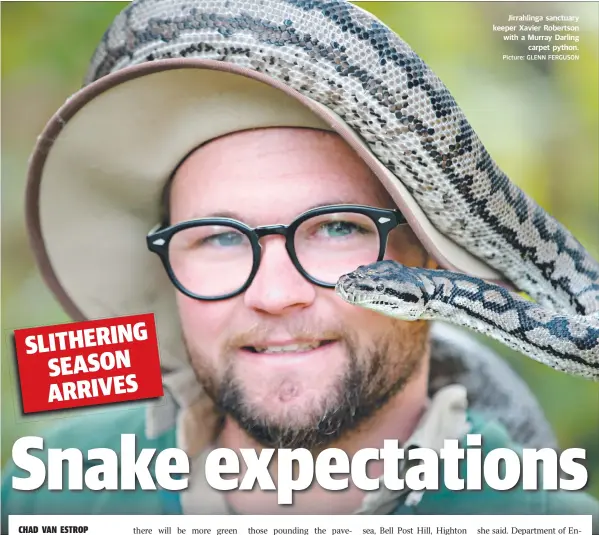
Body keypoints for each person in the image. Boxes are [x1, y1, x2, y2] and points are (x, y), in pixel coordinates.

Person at [2, 0, 598, 529]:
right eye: (218, 237)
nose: (276, 293)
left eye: (336, 228)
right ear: (166, 267)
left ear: (428, 254)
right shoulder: (41, 497)